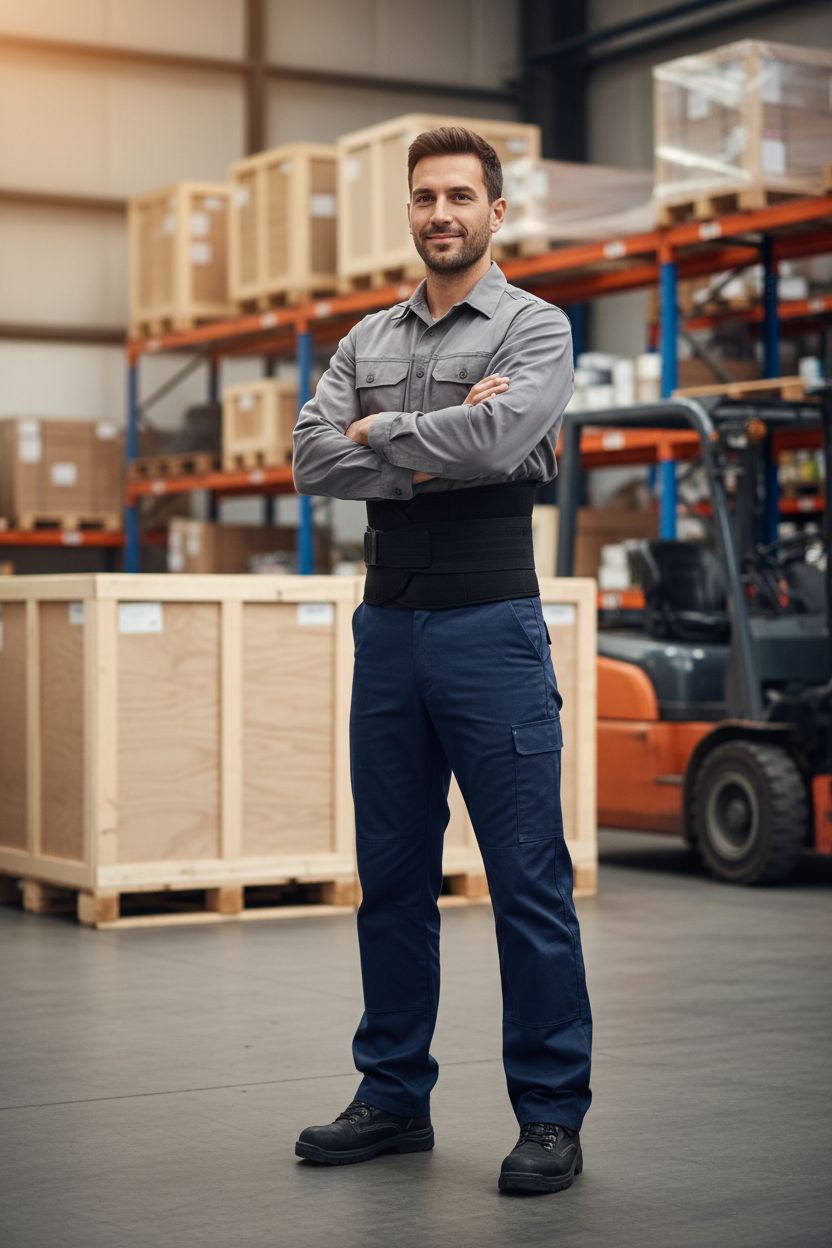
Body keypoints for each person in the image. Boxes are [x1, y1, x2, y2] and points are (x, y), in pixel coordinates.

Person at [291, 126, 591, 1194]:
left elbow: (508, 440)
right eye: (423, 197)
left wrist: (379, 436)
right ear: (409, 211)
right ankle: (391, 1096)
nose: (439, 214)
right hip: (388, 631)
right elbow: (308, 455)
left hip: (489, 627)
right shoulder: (363, 339)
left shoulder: (536, 325)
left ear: (495, 211)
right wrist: (427, 434)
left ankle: (551, 1114)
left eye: (459, 195)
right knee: (394, 877)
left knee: (526, 881)